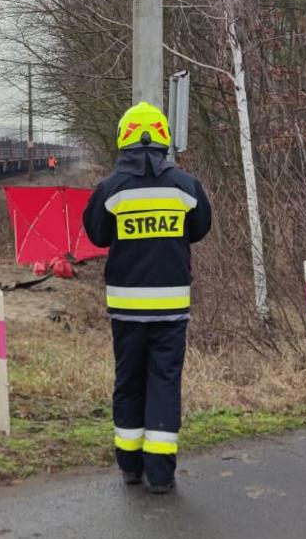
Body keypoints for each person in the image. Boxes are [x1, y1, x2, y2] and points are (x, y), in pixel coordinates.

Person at [82, 101, 212, 494]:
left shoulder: (110, 189)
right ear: (163, 139)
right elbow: (200, 229)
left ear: (124, 139)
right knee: (164, 383)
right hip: (171, 310)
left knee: (129, 381)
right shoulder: (186, 187)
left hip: (126, 310)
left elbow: (97, 235)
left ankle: (130, 468)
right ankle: (160, 474)